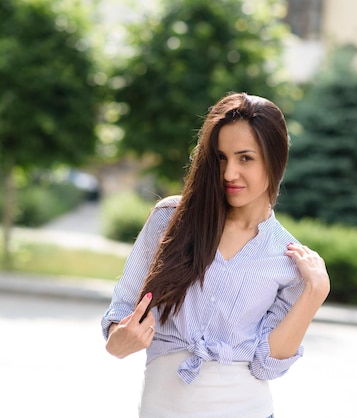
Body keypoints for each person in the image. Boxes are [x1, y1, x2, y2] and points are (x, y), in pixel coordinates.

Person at [101, 92, 330, 418]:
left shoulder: (288, 259)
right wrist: (119, 340)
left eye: (245, 158)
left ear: (275, 159)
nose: (229, 173)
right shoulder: (170, 219)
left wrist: (315, 292)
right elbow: (121, 312)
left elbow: (267, 365)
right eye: (221, 158)